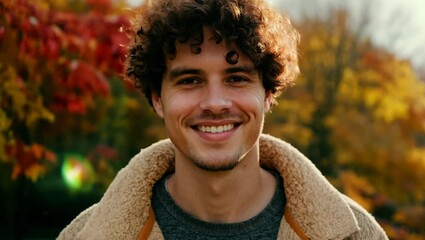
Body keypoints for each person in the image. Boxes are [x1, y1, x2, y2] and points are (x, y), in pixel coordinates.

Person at [58, 0, 388, 239]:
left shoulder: (358, 234)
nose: (215, 103)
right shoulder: (84, 234)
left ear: (268, 95)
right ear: (157, 99)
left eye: (237, 78)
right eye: (190, 80)